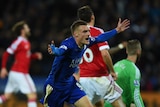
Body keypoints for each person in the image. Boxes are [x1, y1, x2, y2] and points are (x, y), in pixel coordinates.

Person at [41, 19, 130, 107]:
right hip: (55, 86)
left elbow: (100, 38)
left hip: (70, 84)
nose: (88, 34)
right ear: (76, 34)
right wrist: (54, 51)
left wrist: (117, 30)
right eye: (85, 31)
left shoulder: (87, 42)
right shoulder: (69, 44)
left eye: (88, 31)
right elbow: (60, 51)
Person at [71, 5, 126, 107]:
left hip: (84, 79)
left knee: (98, 103)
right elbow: (105, 54)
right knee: (117, 100)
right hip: (100, 76)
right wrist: (112, 71)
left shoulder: (77, 36)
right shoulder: (97, 31)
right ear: (92, 17)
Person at [0, 21, 42, 107]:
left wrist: (35, 56)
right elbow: (6, 53)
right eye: (27, 27)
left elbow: (27, 56)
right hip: (20, 72)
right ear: (22, 30)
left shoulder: (26, 42)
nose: (29, 29)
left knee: (6, 96)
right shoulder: (19, 41)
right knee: (32, 95)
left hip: (15, 73)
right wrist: (3, 68)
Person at [113, 39, 145, 107]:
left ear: (127, 51)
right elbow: (136, 96)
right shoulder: (134, 70)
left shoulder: (116, 65)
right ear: (138, 51)